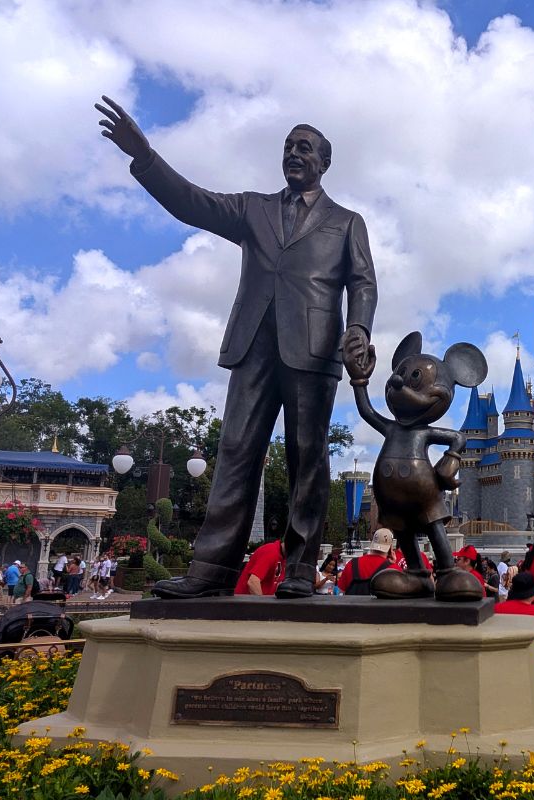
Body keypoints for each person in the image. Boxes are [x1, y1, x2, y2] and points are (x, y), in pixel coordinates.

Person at [97, 98, 377, 601]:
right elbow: (191, 202)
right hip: (253, 347)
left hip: (313, 351)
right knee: (235, 452)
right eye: (288, 146)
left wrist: (358, 327)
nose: (294, 153)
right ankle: (211, 570)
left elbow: (364, 282)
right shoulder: (253, 208)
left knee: (307, 458)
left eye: (305, 148)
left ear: (324, 163)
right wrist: (145, 156)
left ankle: (299, 568)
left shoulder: (346, 221)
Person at [338, 530, 400, 596]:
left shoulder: (352, 564)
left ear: (372, 543)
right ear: (390, 548)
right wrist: (394, 564)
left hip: (354, 605)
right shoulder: (394, 570)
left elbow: (341, 592)